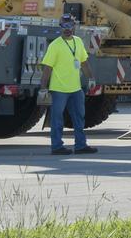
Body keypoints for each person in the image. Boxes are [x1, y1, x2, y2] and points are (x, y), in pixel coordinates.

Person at [39, 14, 97, 156]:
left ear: (74, 26)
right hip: (59, 90)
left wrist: (91, 78)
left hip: (76, 89)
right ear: (60, 27)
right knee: (57, 119)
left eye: (70, 25)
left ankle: (80, 145)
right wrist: (43, 88)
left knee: (79, 118)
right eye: (64, 26)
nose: (67, 29)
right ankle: (57, 146)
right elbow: (47, 68)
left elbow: (84, 62)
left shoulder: (78, 42)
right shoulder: (55, 45)